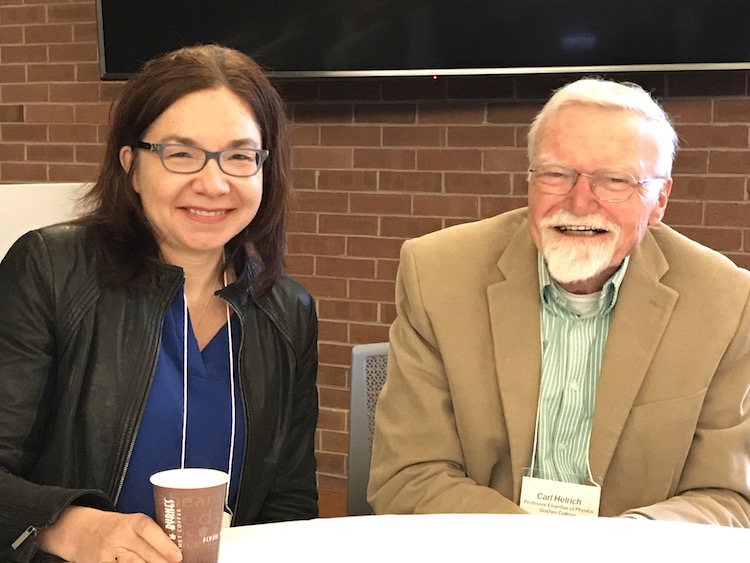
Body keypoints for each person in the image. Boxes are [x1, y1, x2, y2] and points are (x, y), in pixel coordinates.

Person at [367, 77, 750, 526]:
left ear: (659, 199)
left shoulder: (726, 301)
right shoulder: (436, 273)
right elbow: (407, 475)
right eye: (556, 174)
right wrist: (539, 548)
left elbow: (727, 496)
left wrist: (617, 548)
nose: (581, 202)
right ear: (529, 180)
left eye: (614, 180)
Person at [0, 44, 319, 563]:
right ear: (131, 165)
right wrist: (67, 526)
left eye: (239, 156)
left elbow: (289, 500)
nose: (213, 182)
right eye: (180, 153)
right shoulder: (50, 269)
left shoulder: (288, 310)